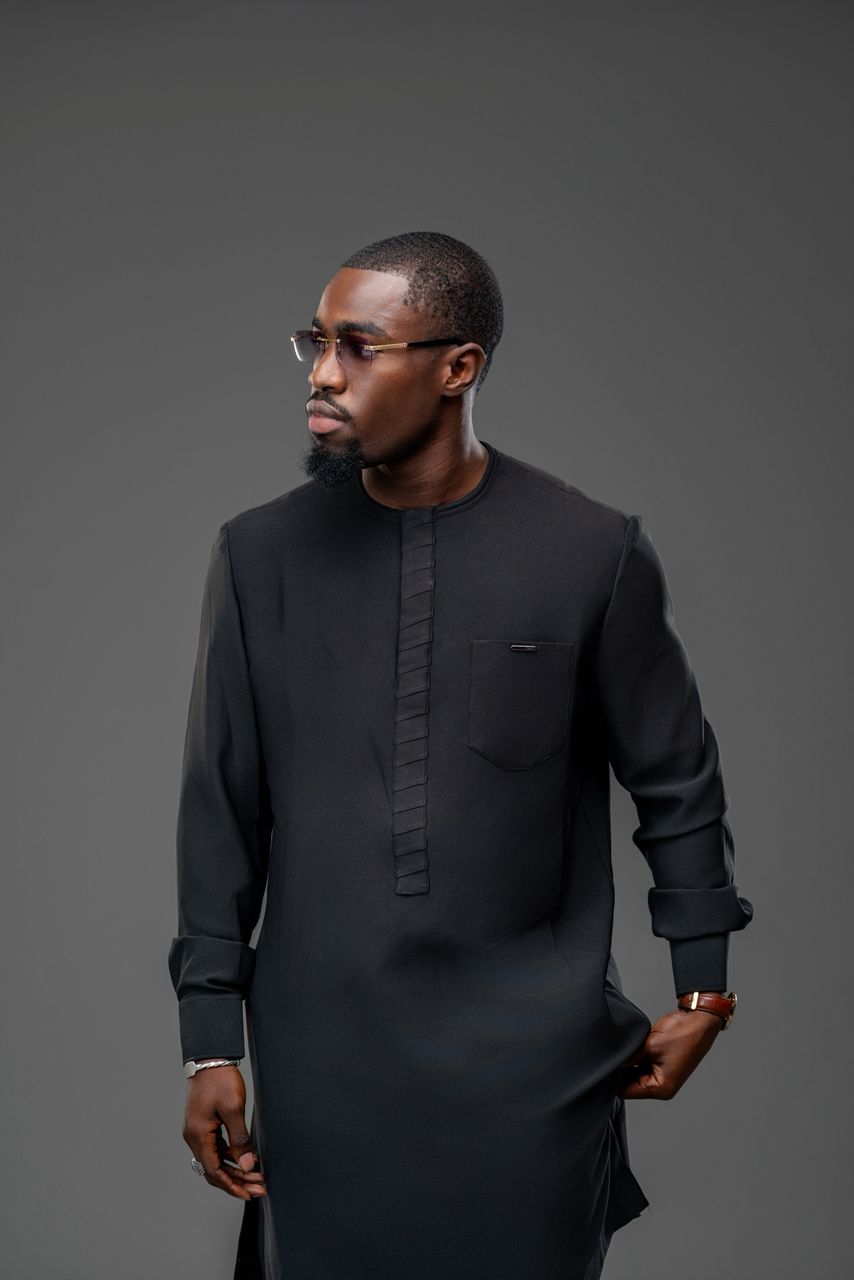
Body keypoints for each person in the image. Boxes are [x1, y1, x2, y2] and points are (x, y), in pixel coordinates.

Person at [167, 230, 754, 1280]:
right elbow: (222, 810)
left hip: (536, 1066)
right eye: (314, 340)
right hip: (322, 1063)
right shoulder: (260, 556)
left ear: (458, 366)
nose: (322, 372)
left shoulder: (590, 550)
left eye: (358, 345)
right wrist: (210, 1038)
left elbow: (676, 780)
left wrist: (703, 988)